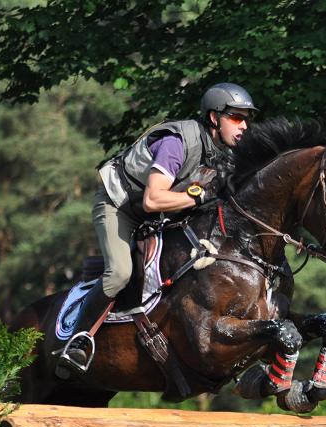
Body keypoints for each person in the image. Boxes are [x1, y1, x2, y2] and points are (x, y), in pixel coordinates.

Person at [56, 82, 258, 378]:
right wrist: (197, 197)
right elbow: (153, 199)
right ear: (215, 118)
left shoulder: (223, 153)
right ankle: (78, 340)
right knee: (120, 273)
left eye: (246, 119)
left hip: (160, 213)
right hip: (120, 207)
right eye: (236, 118)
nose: (244, 126)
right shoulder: (177, 142)